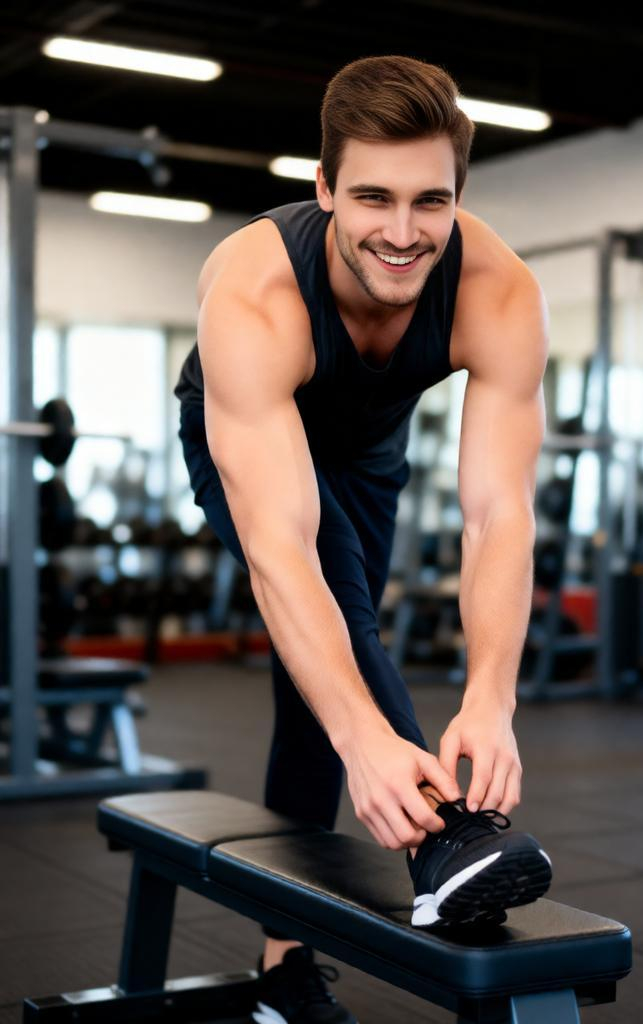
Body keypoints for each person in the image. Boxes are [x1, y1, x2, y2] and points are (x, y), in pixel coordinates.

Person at [175, 54, 552, 1024]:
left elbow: (497, 510)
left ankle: (279, 973)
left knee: (320, 690)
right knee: (340, 619)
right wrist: (367, 742)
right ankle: (447, 840)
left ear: (459, 197)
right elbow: (281, 544)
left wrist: (491, 695)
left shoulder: (498, 288)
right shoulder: (257, 293)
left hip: (371, 452)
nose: (400, 231)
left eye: (430, 201)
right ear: (323, 190)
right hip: (248, 428)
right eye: (371, 197)